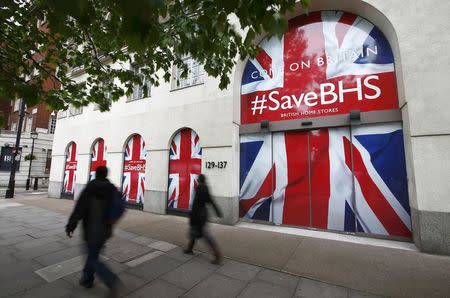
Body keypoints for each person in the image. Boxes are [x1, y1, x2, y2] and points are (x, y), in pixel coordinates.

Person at [66, 166, 119, 292]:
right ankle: (87, 279)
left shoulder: (90, 189)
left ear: (96, 174)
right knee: (93, 254)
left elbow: (79, 209)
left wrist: (71, 225)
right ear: (106, 175)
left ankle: (108, 278)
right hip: (105, 230)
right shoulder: (111, 189)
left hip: (91, 229)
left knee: (92, 257)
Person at [184, 174, 223, 264]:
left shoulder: (200, 189)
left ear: (199, 180)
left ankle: (217, 255)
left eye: (198, 180)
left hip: (198, 215)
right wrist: (217, 211)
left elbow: (196, 204)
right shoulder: (205, 189)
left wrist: (192, 215)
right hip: (202, 214)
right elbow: (211, 201)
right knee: (193, 232)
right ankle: (189, 249)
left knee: (204, 235)